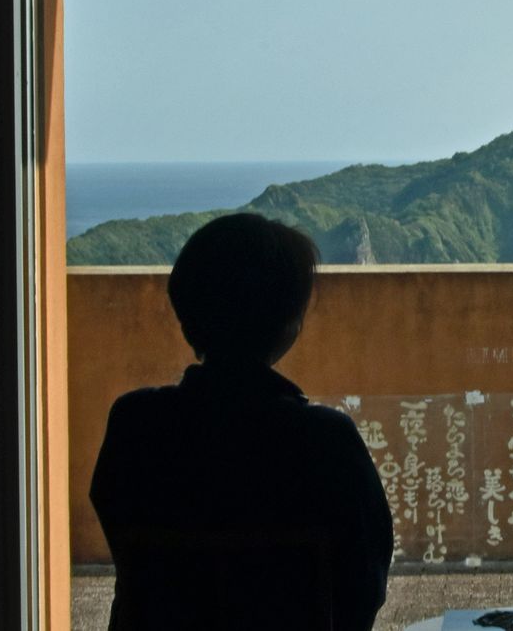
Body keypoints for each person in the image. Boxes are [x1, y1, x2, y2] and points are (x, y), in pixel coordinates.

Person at [90, 213, 393, 630]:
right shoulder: (325, 442)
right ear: (290, 323)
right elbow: (364, 587)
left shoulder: (135, 426)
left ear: (187, 315)